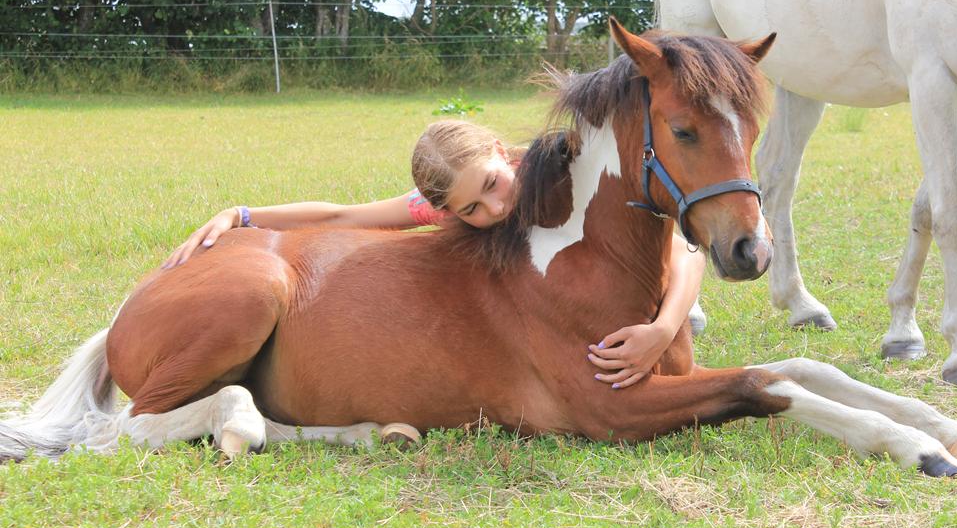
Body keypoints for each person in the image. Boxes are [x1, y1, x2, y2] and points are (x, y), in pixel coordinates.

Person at [163, 120, 707, 390]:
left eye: (493, 184)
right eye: (471, 209)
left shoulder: (570, 170)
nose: (495, 208)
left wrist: (666, 323)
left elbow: (682, 239)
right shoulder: (446, 209)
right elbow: (343, 217)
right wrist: (244, 216)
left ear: (500, 150)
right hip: (560, 308)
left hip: (650, 290)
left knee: (685, 320)